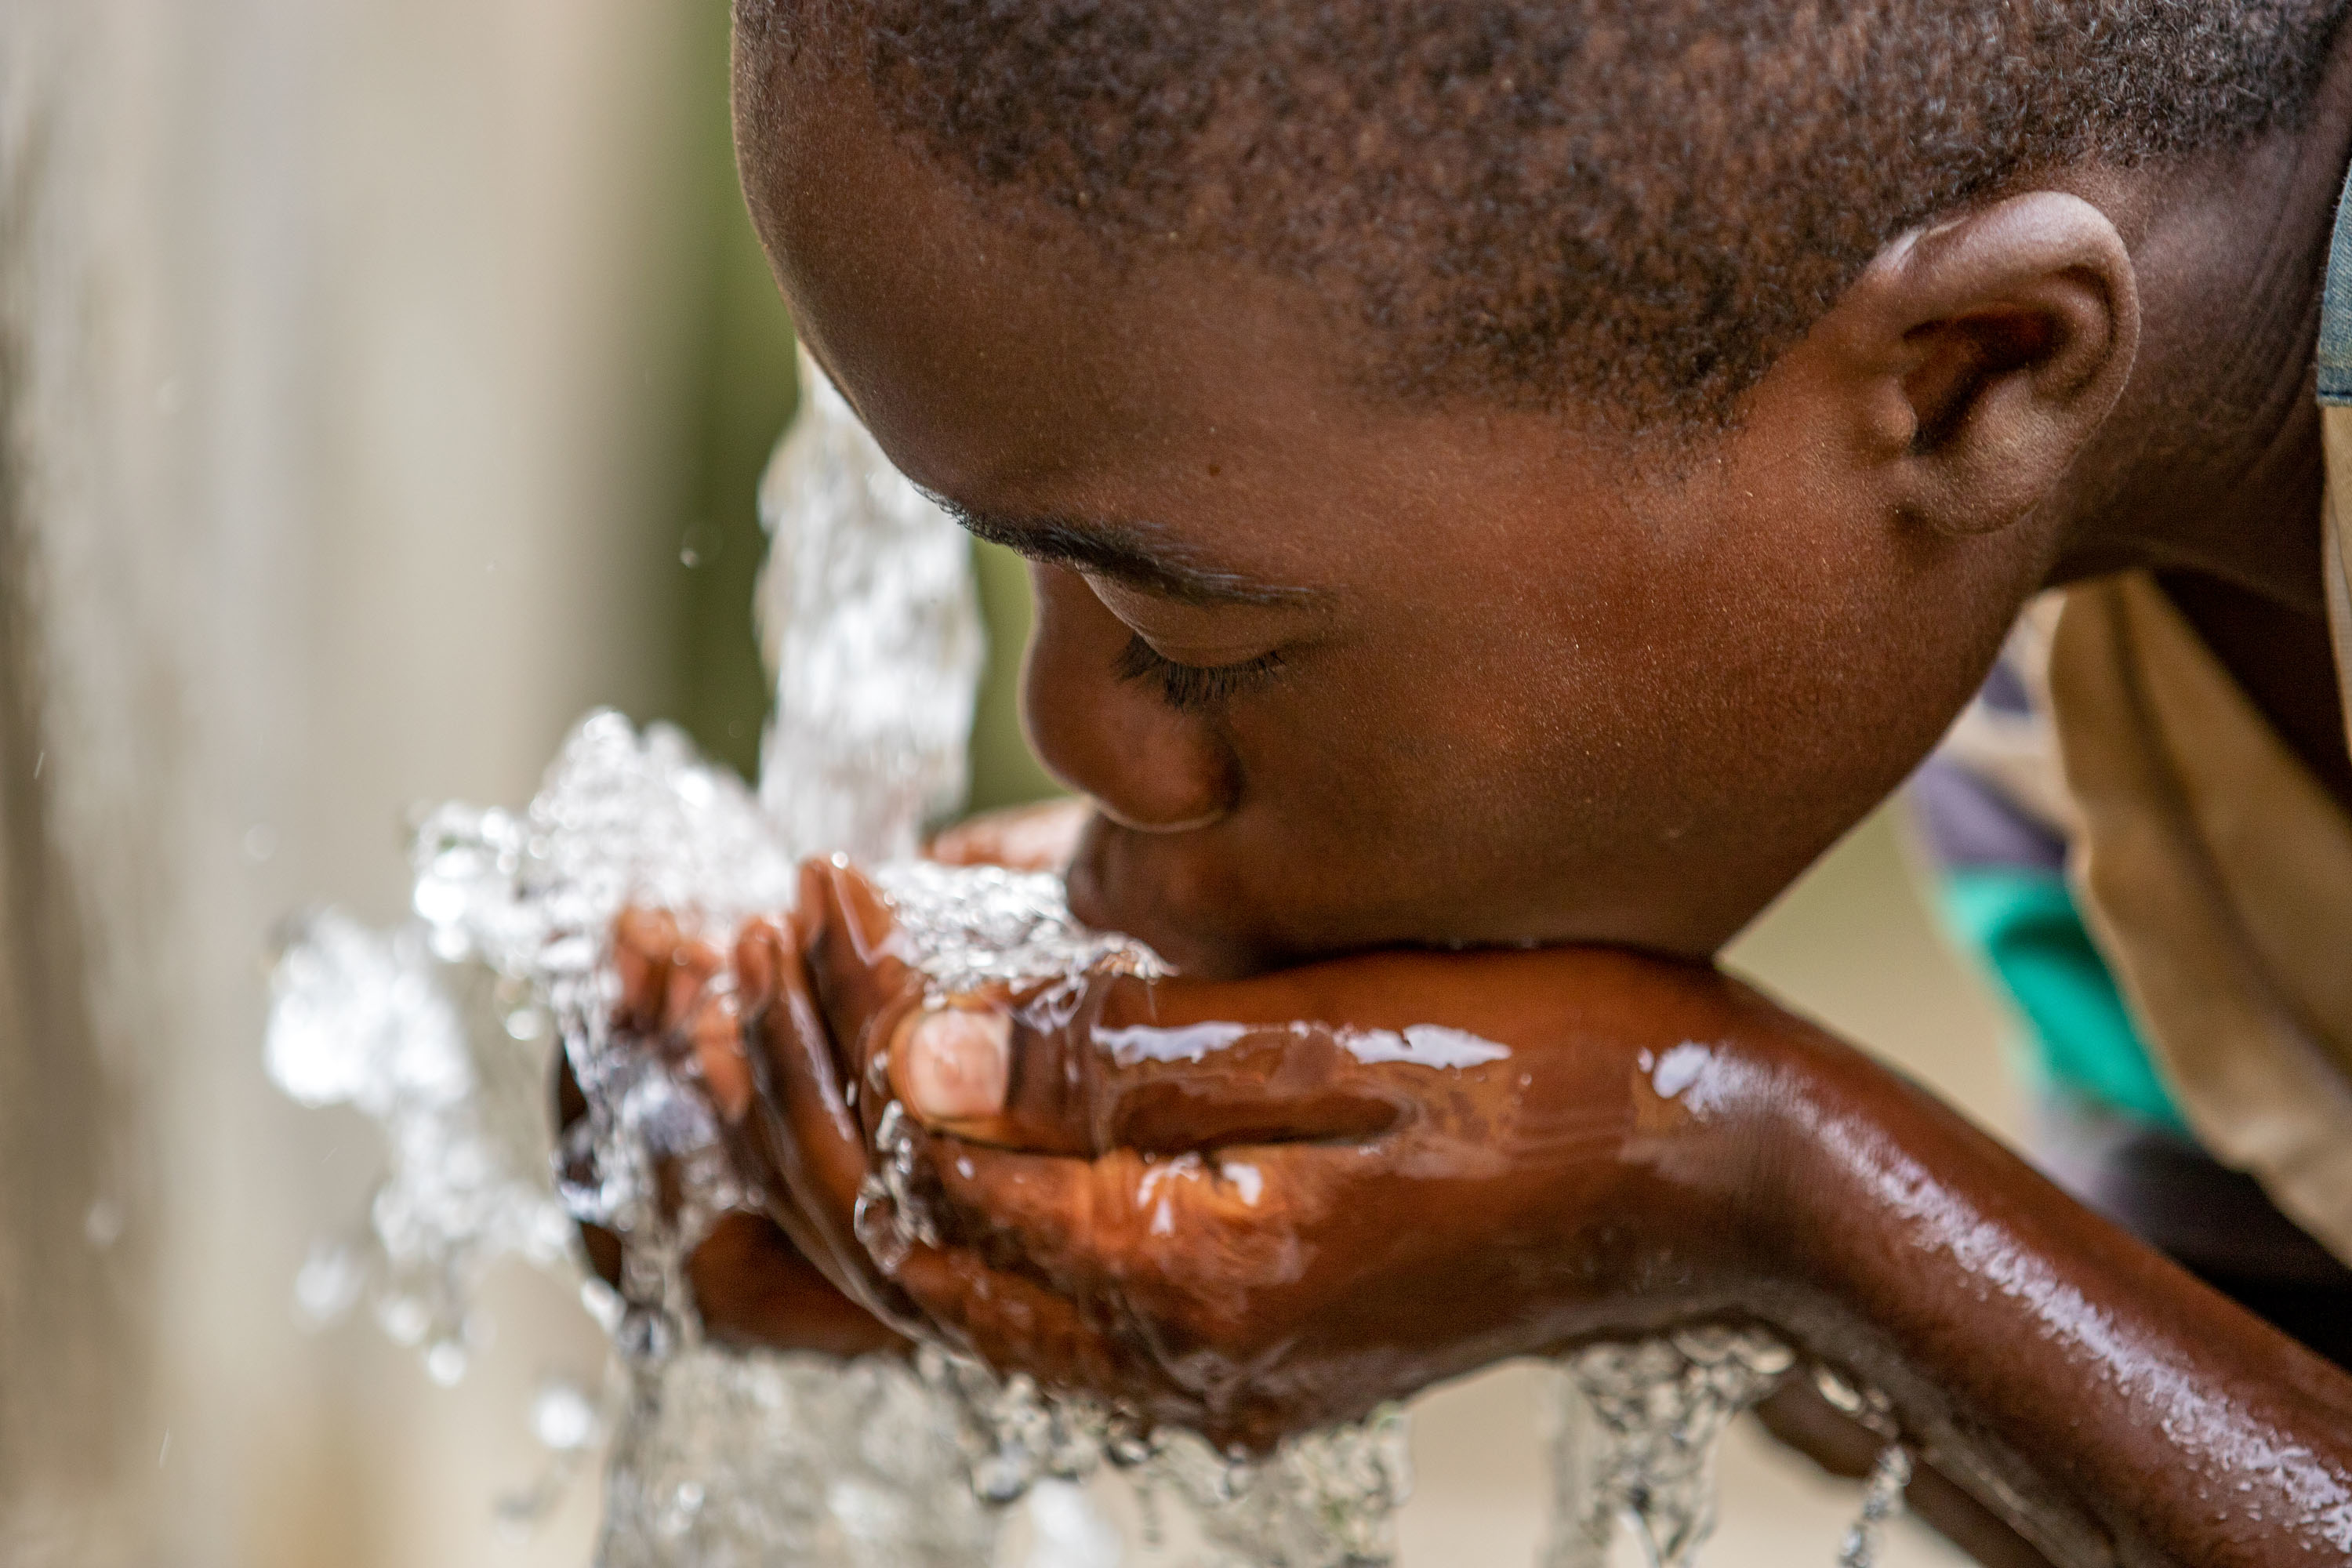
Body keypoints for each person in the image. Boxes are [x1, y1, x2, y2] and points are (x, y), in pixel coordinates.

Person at [608, 2, 2352, 1561]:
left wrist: (1738, 1183)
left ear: (1978, 372)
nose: (1081, 749)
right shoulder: (2055, 654)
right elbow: (2242, 1403)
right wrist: (1504, 1199)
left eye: (1191, 637)